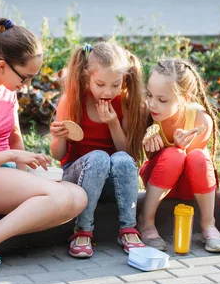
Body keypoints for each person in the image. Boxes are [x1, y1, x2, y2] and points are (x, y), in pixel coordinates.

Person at [0, 18, 87, 283]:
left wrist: (25, 172)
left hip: (1, 172)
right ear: (1, 65)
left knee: (77, 198)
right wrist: (12, 157)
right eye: (26, 77)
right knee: (56, 197)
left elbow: (15, 138)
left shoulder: (7, 90)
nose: (28, 85)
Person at [50, 42, 147, 258]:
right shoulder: (72, 100)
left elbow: (128, 154)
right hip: (77, 179)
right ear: (87, 77)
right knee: (99, 158)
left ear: (125, 79)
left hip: (113, 184)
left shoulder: (125, 103)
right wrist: (59, 137)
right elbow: (57, 155)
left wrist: (113, 123)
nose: (108, 92)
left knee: (120, 158)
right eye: (100, 84)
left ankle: (128, 229)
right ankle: (82, 230)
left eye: (115, 84)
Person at [137, 58, 220, 253]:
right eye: (149, 95)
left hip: (190, 186)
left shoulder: (199, 119)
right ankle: (146, 221)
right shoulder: (147, 113)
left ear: (185, 98)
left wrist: (180, 147)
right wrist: (153, 150)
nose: (153, 104)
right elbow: (151, 160)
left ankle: (208, 225)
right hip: (158, 182)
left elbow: (193, 162)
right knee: (172, 155)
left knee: (195, 156)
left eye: (162, 100)